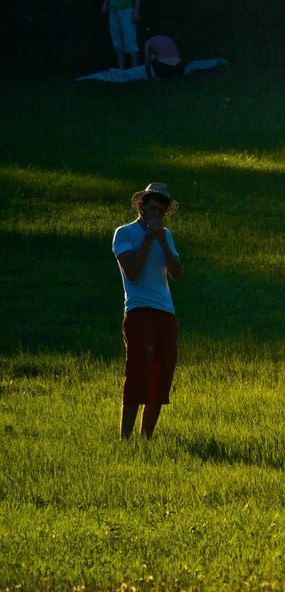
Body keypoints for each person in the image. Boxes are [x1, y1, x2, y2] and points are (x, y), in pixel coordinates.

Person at [112, 183, 183, 439]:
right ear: (141, 207)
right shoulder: (125, 233)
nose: (157, 214)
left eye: (161, 211)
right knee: (137, 374)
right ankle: (125, 438)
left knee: (162, 376)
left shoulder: (167, 235)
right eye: (153, 208)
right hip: (139, 310)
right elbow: (132, 270)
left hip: (166, 312)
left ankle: (146, 439)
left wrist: (163, 242)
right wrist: (149, 238)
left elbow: (177, 274)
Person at [102, 0, 141, 69]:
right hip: (113, 9)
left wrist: (136, 10)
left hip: (126, 10)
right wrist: (105, 3)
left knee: (129, 37)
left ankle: (135, 70)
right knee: (116, 38)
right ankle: (121, 69)